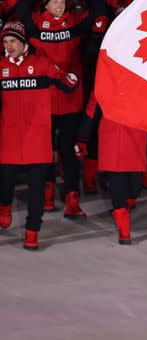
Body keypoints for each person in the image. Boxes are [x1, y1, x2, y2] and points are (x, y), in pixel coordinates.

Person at [15, 0, 106, 217]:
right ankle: (47, 195)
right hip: (43, 101)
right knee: (45, 151)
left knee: (70, 152)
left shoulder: (75, 22)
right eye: (54, 1)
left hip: (70, 100)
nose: (60, 4)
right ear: (44, 5)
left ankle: (72, 200)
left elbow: (98, 9)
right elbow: (20, 7)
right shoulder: (34, 23)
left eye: (62, 0)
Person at [0, 21, 79, 250]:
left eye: (13, 41)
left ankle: (32, 232)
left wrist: (72, 78)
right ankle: (4, 205)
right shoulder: (1, 66)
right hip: (9, 140)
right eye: (5, 42)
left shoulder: (42, 64)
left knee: (37, 191)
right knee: (5, 184)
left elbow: (67, 83)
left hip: (37, 140)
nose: (9, 46)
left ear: (23, 42)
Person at [77, 92, 147, 245]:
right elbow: (92, 109)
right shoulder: (104, 80)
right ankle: (124, 227)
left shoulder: (141, 75)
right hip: (111, 135)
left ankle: (125, 206)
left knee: (135, 186)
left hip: (137, 134)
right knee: (117, 182)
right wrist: (82, 138)